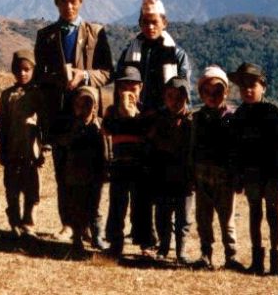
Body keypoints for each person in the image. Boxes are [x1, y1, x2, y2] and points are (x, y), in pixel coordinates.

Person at [34, 0, 113, 241]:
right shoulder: (46, 36)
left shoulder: (95, 33)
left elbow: (107, 72)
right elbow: (39, 76)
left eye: (73, 1)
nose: (69, 6)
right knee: (62, 170)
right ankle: (68, 224)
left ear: (81, 2)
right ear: (56, 3)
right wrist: (56, 79)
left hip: (88, 116)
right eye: (64, 1)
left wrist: (85, 76)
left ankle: (90, 224)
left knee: (91, 172)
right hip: (59, 114)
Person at [229, 62, 278, 276]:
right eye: (243, 85)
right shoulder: (239, 116)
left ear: (263, 86)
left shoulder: (273, 113)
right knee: (255, 214)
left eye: (252, 84)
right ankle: (256, 260)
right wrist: (237, 176)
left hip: (271, 174)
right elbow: (234, 149)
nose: (247, 89)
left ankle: (275, 260)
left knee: (273, 214)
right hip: (251, 175)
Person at [190, 65, 244, 270]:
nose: (213, 96)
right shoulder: (196, 119)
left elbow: (237, 150)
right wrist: (191, 174)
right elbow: (192, 149)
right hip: (202, 177)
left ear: (226, 92)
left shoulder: (232, 119)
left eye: (218, 92)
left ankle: (231, 256)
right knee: (203, 219)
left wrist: (237, 176)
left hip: (225, 178)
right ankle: (206, 254)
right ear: (201, 93)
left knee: (226, 218)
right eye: (208, 92)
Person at [0, 49, 47, 238]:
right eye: (18, 69)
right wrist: (1, 148)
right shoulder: (7, 95)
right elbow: (2, 124)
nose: (22, 73)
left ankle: (29, 223)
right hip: (11, 150)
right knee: (12, 189)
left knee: (32, 190)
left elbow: (44, 124)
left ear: (34, 70)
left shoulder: (38, 95)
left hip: (31, 152)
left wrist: (43, 149)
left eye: (27, 69)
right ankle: (14, 222)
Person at [103, 66, 151, 257]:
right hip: (119, 165)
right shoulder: (112, 111)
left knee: (142, 206)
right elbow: (108, 130)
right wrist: (123, 112)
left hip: (140, 166)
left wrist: (133, 115)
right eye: (124, 86)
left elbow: (147, 132)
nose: (129, 90)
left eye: (133, 86)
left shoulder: (146, 112)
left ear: (141, 87)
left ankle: (145, 244)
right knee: (117, 205)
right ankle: (115, 242)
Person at [147, 76, 194, 264]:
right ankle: (164, 247)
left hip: (185, 177)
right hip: (162, 175)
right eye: (170, 96)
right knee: (162, 215)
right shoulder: (158, 119)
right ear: (164, 98)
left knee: (184, 217)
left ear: (187, 98)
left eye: (180, 97)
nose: (175, 101)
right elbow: (150, 145)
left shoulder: (192, 120)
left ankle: (181, 251)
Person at [54, 86, 107, 254]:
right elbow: (63, 145)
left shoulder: (100, 126)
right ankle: (77, 238)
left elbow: (105, 149)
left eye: (87, 105)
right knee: (77, 207)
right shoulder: (71, 125)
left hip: (94, 174)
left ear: (95, 106)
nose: (83, 109)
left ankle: (97, 236)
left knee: (95, 207)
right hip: (75, 174)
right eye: (79, 105)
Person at [116, 0, 191, 113]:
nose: (150, 27)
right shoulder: (128, 53)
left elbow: (183, 90)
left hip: (166, 118)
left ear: (164, 23)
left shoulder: (177, 55)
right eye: (146, 22)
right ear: (140, 23)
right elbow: (119, 87)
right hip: (135, 115)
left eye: (154, 22)